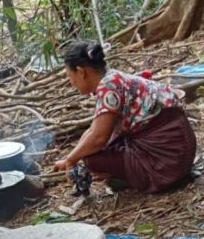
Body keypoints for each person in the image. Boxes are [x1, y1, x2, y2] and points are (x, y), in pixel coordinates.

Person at [53, 41, 196, 194]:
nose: (71, 83)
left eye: (70, 76)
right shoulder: (112, 78)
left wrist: (71, 160)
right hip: (180, 145)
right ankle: (128, 173)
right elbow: (93, 130)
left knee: (92, 159)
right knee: (96, 149)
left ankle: (142, 176)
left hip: (170, 159)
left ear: (81, 72)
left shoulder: (109, 88)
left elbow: (98, 138)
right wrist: (70, 158)